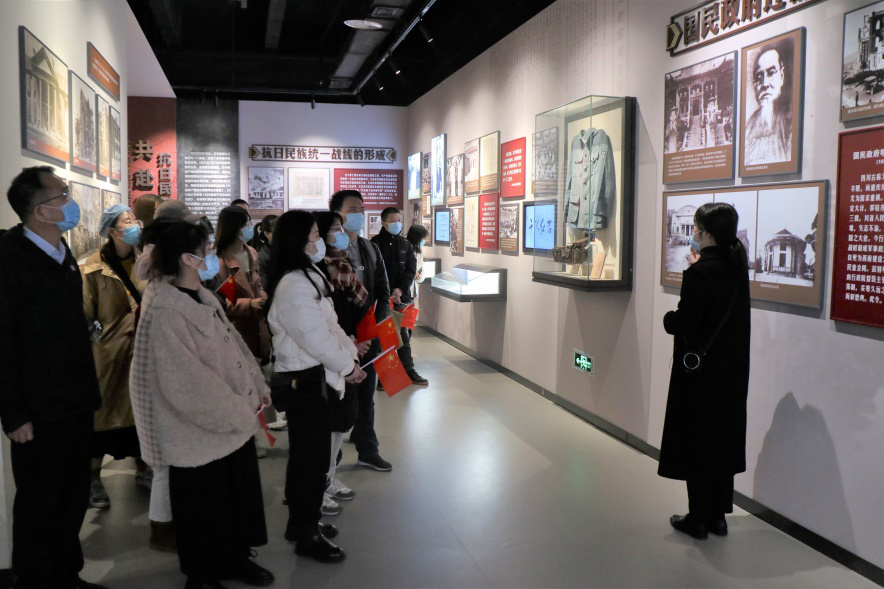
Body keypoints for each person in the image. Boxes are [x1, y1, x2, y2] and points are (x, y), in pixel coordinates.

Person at [130, 218, 273, 589]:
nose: (212, 254)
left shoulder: (203, 296)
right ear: (187, 258)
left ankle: (237, 558)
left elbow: (234, 346)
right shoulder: (165, 308)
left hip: (233, 424)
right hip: (199, 431)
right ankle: (203, 575)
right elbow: (185, 384)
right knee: (204, 507)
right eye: (206, 249)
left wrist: (257, 385)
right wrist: (238, 413)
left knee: (235, 500)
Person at [0, 166, 105, 589]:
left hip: (74, 396)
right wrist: (14, 412)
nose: (70, 202)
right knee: (40, 500)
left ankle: (66, 574)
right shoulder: (11, 261)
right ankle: (36, 579)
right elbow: (3, 341)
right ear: (40, 211)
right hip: (38, 406)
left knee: (72, 493)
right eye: (62, 194)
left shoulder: (61, 254)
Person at [266, 210, 367, 562]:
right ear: (298, 241)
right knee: (309, 460)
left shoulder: (308, 275)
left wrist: (350, 356)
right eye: (314, 236)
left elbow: (330, 326)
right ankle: (306, 532)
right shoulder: (294, 284)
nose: (321, 241)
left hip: (315, 377)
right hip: (305, 380)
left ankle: (301, 522)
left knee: (308, 457)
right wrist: (347, 366)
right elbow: (313, 337)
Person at [658, 202, 751, 541]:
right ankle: (718, 517)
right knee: (722, 440)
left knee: (697, 441)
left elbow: (687, 321)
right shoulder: (737, 269)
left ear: (706, 233)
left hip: (700, 373)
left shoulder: (699, 273)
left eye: (696, 229)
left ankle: (697, 518)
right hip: (731, 372)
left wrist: (669, 320)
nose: (694, 233)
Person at [83, 204, 150, 511]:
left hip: (142, 352)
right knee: (101, 419)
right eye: (127, 221)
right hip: (108, 356)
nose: (135, 224)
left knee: (141, 416)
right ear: (112, 231)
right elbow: (85, 314)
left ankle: (143, 468)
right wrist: (100, 343)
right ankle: (92, 479)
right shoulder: (93, 268)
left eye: (134, 219)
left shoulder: (146, 261)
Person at [330, 190, 394, 472]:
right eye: (352, 209)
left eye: (361, 209)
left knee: (367, 395)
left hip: (368, 333)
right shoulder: (327, 251)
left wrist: (376, 325)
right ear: (338, 214)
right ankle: (331, 461)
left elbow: (382, 288)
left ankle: (368, 449)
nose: (358, 214)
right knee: (339, 396)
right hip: (339, 336)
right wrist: (348, 336)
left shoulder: (369, 247)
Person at [314, 212, 370, 513]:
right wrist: (347, 348)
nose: (341, 234)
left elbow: (355, 305)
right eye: (334, 229)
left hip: (347, 348)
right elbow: (321, 326)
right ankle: (317, 484)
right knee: (324, 425)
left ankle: (328, 477)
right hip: (328, 358)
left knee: (339, 422)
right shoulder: (313, 273)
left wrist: (353, 344)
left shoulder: (343, 264)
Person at [371, 208, 427, 386]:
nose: (397, 223)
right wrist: (389, 292)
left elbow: (411, 270)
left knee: (404, 336)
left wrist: (400, 290)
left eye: (398, 220)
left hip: (403, 298)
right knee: (386, 336)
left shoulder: (406, 245)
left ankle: (408, 370)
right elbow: (375, 273)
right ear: (384, 223)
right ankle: (385, 376)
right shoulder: (374, 244)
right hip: (383, 299)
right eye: (393, 220)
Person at [214, 206, 271, 363]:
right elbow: (223, 303)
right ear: (234, 228)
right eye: (246, 224)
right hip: (237, 330)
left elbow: (257, 283)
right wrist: (251, 304)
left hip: (259, 325)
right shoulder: (219, 261)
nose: (250, 227)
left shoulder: (251, 252)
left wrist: (261, 293)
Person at [744, 45, 792, 165]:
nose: (765, 83)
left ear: (781, 76)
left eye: (771, 73)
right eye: (759, 77)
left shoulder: (790, 118)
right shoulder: (748, 127)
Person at [405, 224, 429, 300]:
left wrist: (419, 276)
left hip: (412, 291)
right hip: (402, 290)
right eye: (422, 238)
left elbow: (421, 271)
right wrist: (412, 273)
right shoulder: (403, 249)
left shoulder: (419, 253)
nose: (423, 241)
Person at [256, 214, 277, 291]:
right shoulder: (260, 257)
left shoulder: (288, 251)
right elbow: (263, 287)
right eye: (278, 231)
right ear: (267, 234)